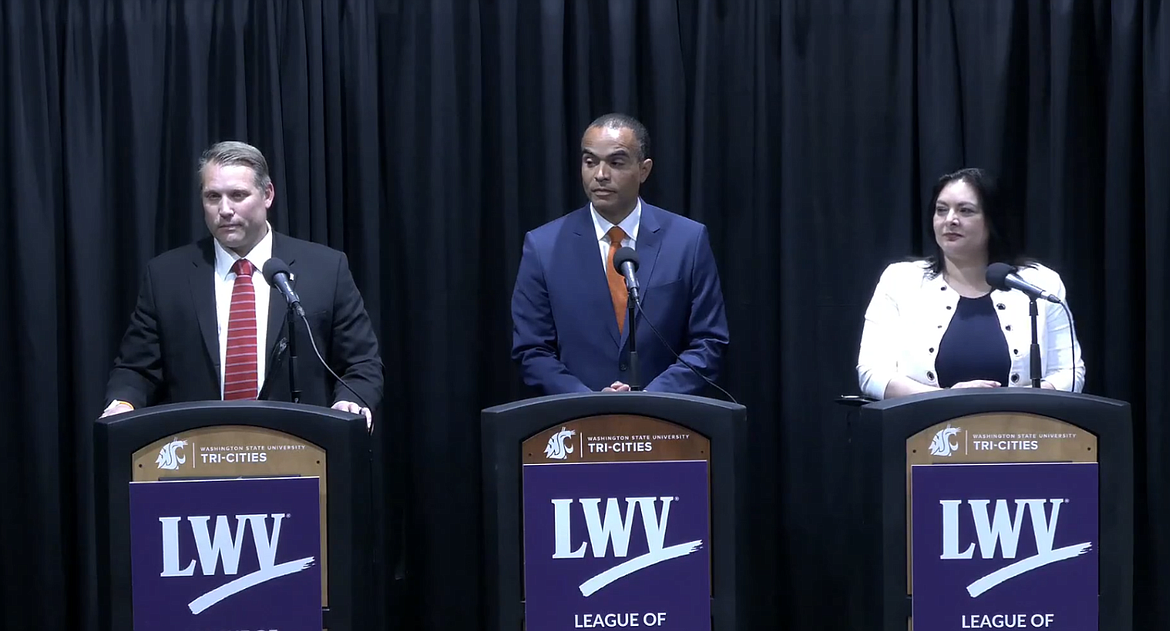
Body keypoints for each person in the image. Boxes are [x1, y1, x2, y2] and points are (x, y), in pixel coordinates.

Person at [101, 141, 383, 428]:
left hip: (300, 450)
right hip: (199, 452)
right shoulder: (166, 275)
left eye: (237, 195)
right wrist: (122, 403)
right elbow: (136, 368)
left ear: (267, 194)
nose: (224, 209)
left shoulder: (325, 269)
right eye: (213, 196)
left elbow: (361, 363)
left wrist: (351, 400)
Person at [511, 113, 729, 395]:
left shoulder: (687, 240)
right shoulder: (543, 246)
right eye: (590, 162)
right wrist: (590, 402)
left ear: (644, 170)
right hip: (578, 423)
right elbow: (532, 349)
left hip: (666, 422)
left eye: (615, 163)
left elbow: (709, 341)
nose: (600, 175)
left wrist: (650, 400)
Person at [856, 167, 1084, 400]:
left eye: (965, 211)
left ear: (992, 219)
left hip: (1020, 430)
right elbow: (872, 373)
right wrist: (945, 399)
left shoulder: (1039, 283)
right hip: (924, 429)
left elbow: (1070, 373)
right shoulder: (900, 280)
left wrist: (1011, 402)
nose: (950, 220)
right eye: (941, 210)